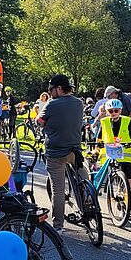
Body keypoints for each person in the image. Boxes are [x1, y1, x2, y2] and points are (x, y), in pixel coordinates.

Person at [37, 74, 85, 232]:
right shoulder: (79, 103)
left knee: (58, 190)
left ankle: (58, 226)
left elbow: (39, 121)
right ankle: (89, 206)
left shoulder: (51, 104)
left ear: (59, 89)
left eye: (51, 89)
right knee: (84, 179)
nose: (50, 92)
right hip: (75, 151)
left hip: (56, 153)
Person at [100, 98, 131, 188]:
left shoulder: (126, 121)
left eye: (116, 110)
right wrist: (97, 147)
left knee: (129, 174)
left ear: (120, 111)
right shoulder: (104, 122)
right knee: (111, 173)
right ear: (107, 111)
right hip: (110, 153)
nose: (113, 113)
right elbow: (99, 136)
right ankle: (114, 191)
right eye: (110, 111)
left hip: (125, 153)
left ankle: (126, 192)